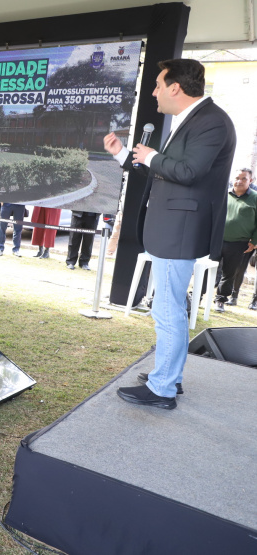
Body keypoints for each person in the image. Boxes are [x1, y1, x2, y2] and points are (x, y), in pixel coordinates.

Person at [103, 58, 236, 409]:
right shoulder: (195, 119)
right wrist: (124, 157)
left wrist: (149, 157)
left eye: (159, 85)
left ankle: (162, 388)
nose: (154, 92)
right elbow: (169, 173)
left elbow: (189, 171)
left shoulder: (211, 122)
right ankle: (169, 376)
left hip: (180, 230)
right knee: (168, 307)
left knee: (167, 309)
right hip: (173, 228)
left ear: (175, 88)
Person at [213, 169, 257, 312]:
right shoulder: (222, 194)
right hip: (216, 241)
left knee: (229, 273)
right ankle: (197, 296)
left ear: (250, 180)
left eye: (244, 178)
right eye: (237, 177)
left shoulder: (255, 198)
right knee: (208, 269)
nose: (239, 181)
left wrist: (255, 241)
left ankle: (220, 300)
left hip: (239, 243)